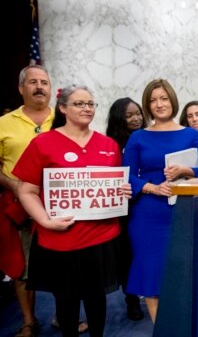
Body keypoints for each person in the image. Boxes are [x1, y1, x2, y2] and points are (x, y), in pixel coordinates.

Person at [13, 84, 132, 337]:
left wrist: (122, 192)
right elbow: (27, 190)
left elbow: (114, 186)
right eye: (79, 103)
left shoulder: (109, 145)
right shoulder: (43, 143)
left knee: (96, 298)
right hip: (59, 238)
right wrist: (45, 221)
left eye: (90, 104)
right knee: (65, 301)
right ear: (64, 108)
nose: (87, 108)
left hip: (102, 238)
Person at [123, 78, 198, 323]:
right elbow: (126, 174)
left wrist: (186, 171)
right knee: (152, 275)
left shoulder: (190, 135)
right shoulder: (137, 137)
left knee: (183, 274)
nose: (159, 104)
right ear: (148, 106)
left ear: (172, 101)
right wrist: (151, 188)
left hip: (183, 213)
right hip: (147, 216)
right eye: (153, 100)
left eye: (164, 98)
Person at [0, 65, 54, 337]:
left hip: (59, 204)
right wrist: (16, 187)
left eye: (44, 82)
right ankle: (28, 321)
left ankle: (62, 315)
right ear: (21, 88)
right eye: (33, 82)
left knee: (62, 263)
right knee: (22, 268)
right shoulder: (3, 124)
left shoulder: (64, 118)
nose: (39, 87)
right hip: (18, 205)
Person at [105, 97, 146, 321]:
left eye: (138, 113)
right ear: (119, 118)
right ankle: (131, 300)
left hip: (145, 202)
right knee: (127, 256)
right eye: (129, 115)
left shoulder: (149, 136)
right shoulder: (109, 144)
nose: (136, 118)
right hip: (121, 210)